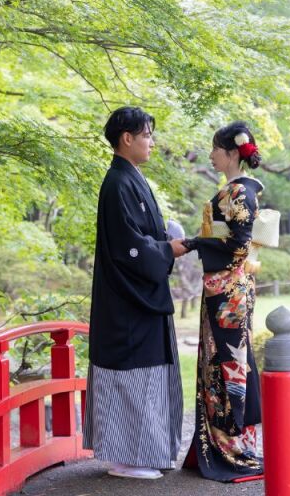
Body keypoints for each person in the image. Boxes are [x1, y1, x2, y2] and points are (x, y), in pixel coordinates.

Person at [82, 106, 188, 480]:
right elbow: (130, 246)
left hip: (137, 296)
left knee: (144, 377)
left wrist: (164, 243)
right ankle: (128, 458)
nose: (152, 143)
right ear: (126, 138)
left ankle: (139, 454)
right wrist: (167, 249)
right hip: (127, 301)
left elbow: (144, 237)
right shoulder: (117, 184)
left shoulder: (130, 179)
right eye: (147, 136)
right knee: (132, 378)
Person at [181, 121, 265, 482]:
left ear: (232, 153)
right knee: (225, 360)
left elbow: (240, 244)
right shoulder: (233, 190)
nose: (212, 154)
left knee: (228, 363)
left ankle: (231, 444)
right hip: (225, 288)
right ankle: (223, 440)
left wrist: (199, 243)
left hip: (228, 290)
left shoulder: (241, 192)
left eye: (216, 149)